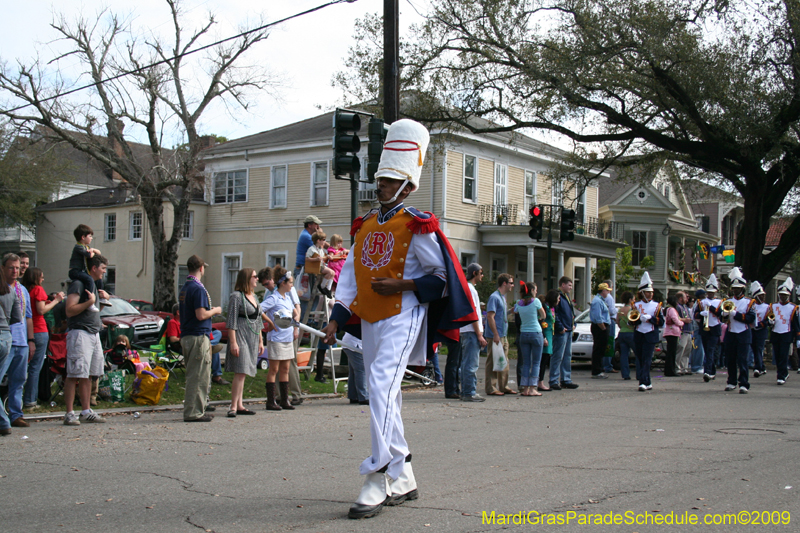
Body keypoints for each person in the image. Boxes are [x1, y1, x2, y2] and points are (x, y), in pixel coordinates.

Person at [320, 119, 476, 519]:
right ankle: (403, 472)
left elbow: (442, 277)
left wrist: (403, 285)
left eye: (391, 180)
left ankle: (377, 473)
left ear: (408, 186)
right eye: (381, 178)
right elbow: (352, 276)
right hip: (370, 318)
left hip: (403, 316)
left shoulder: (418, 224)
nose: (382, 185)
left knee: (380, 385)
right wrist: (337, 316)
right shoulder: (366, 223)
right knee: (386, 391)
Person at [62, 253, 110, 425]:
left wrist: (102, 300)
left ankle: (86, 410)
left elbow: (94, 309)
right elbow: (70, 310)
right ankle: (69, 413)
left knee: (89, 374)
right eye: (103, 269)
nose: (104, 273)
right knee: (74, 373)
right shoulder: (79, 284)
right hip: (80, 333)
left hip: (93, 332)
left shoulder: (94, 286)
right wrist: (89, 303)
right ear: (94, 268)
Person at [179, 255, 222, 423]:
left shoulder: (186, 287)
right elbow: (201, 314)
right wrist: (215, 310)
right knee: (198, 376)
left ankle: (197, 408)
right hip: (197, 336)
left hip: (188, 335)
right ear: (201, 268)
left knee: (195, 374)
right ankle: (194, 412)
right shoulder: (198, 289)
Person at [259, 267, 304, 406]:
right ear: (283, 283)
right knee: (274, 369)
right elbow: (258, 309)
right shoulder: (273, 298)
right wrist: (270, 322)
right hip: (277, 338)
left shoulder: (287, 298)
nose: (292, 285)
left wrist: (295, 317)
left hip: (287, 337)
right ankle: (271, 400)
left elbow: (295, 311)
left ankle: (285, 400)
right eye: (290, 282)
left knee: (285, 369)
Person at [21, 267, 64, 408]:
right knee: (35, 367)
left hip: (26, 330)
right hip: (39, 329)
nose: (43, 279)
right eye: (41, 277)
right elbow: (41, 310)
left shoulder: (25, 290)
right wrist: (56, 300)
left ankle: (22, 397)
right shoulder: (38, 290)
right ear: (36, 278)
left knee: (25, 366)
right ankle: (30, 400)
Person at [225, 268, 264, 417]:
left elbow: (258, 319)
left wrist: (261, 340)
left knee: (245, 371)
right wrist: (233, 342)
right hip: (240, 335)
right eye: (255, 276)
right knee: (240, 370)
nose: (257, 279)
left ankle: (240, 404)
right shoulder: (236, 297)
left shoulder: (254, 297)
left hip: (252, 337)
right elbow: (231, 321)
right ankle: (233, 406)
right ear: (247, 278)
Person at [2, 253, 35, 428]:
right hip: (6, 340)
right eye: (11, 267)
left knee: (19, 379)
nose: (15, 271)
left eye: (17, 267)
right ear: (3, 268)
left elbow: (28, 317)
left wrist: (31, 340)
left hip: (21, 341)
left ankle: (16, 414)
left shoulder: (22, 290)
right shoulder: (2, 288)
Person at [721, 268, 756, 393]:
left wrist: (735, 314)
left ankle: (744, 383)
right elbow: (722, 317)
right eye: (734, 288)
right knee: (730, 359)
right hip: (731, 332)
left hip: (743, 333)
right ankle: (731, 382)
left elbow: (751, 318)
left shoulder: (749, 302)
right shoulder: (727, 301)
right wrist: (723, 314)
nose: (735, 290)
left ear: (742, 288)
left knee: (743, 360)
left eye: (738, 288)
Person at [485, 273, 517, 396]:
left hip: (503, 334)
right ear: (504, 283)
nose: (512, 285)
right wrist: (495, 334)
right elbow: (490, 316)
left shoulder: (502, 298)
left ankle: (504, 385)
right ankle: (491, 387)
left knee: (504, 360)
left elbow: (499, 315)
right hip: (496, 335)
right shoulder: (494, 297)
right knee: (493, 360)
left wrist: (510, 311)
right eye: (511, 283)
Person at [631, 272, 664, 392]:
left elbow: (661, 322)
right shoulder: (635, 305)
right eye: (647, 292)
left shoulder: (657, 306)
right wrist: (638, 319)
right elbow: (631, 322)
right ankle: (648, 381)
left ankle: (643, 382)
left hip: (650, 334)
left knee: (647, 358)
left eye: (651, 292)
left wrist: (651, 318)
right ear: (642, 293)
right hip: (639, 334)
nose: (650, 294)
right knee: (640, 358)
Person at [0, 263, 23, 436]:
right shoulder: (11, 292)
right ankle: (4, 421)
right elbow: (17, 317)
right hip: (7, 336)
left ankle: (3, 421)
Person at [460, 263, 487, 402]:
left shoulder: (467, 288)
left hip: (466, 330)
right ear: (475, 273)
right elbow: (473, 313)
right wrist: (479, 334)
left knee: (466, 363)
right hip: (471, 330)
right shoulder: (471, 289)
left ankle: (465, 390)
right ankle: (469, 391)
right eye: (481, 273)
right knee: (471, 363)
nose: (482, 276)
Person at [515, 282, 545, 395]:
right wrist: (537, 318)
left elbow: (515, 312)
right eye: (535, 289)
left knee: (526, 362)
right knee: (536, 362)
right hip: (536, 332)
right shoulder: (536, 301)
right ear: (532, 290)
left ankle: (525, 388)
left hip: (524, 333)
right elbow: (543, 315)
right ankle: (533, 388)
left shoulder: (519, 303)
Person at [68, 224, 107, 309]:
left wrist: (92, 249)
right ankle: (88, 300)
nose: (92, 238)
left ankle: (100, 297)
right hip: (75, 271)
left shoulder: (86, 247)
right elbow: (89, 255)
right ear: (83, 237)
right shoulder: (78, 247)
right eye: (90, 236)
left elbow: (98, 252)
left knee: (99, 280)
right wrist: (91, 252)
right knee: (89, 279)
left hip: (81, 271)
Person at [550, 276, 579, 390]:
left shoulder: (566, 297)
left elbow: (571, 312)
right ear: (563, 285)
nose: (571, 288)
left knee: (567, 355)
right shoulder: (558, 297)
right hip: (562, 331)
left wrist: (574, 322)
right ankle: (553, 380)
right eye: (569, 285)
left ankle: (566, 379)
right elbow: (555, 313)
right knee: (558, 355)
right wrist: (560, 327)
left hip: (569, 329)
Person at [769, 278, 796, 386]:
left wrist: (797, 337)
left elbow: (795, 324)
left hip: (786, 333)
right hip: (776, 333)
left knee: (784, 355)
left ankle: (781, 375)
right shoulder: (773, 306)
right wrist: (770, 322)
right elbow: (769, 318)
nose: (783, 297)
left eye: (785, 295)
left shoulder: (793, 307)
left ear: (788, 296)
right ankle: (783, 372)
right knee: (777, 355)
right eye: (781, 295)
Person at [589, 282, 612, 379]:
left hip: (602, 326)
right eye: (607, 291)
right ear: (603, 291)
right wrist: (603, 328)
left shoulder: (601, 300)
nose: (608, 293)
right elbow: (598, 317)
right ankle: (596, 370)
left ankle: (599, 368)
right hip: (600, 327)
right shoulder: (597, 301)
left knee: (602, 348)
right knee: (598, 349)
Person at [306, 231, 336, 298]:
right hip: (317, 267)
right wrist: (315, 259)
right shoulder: (311, 249)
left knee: (333, 273)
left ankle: (328, 288)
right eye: (323, 240)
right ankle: (322, 286)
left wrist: (328, 257)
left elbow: (323, 257)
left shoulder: (321, 249)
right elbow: (307, 259)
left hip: (322, 266)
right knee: (330, 272)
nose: (325, 241)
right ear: (318, 240)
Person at [749, 282, 770, 378]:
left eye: (763, 296)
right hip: (752, 329)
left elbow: (771, 319)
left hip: (761, 330)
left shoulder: (767, 307)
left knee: (759, 348)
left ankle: (757, 367)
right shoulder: (751, 305)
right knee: (754, 348)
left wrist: (763, 323)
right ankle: (762, 367)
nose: (763, 298)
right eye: (760, 296)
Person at [538, 290, 557, 390]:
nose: (558, 300)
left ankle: (540, 381)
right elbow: (542, 321)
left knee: (545, 360)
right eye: (557, 298)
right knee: (543, 360)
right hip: (546, 334)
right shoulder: (545, 307)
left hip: (550, 334)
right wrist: (544, 336)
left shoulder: (551, 308)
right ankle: (539, 382)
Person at [344, 331, 369, 405]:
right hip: (355, 345)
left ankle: (353, 396)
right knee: (361, 370)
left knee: (354, 371)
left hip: (350, 344)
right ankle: (363, 396)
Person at [662, 294, 683, 377]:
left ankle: (669, 370)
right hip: (672, 332)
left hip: (670, 332)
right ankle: (671, 370)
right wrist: (682, 323)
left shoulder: (667, 309)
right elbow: (675, 320)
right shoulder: (672, 310)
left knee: (670, 352)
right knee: (672, 352)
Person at [616, 291, 635, 381]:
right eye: (634, 299)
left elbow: (618, 322)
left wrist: (623, 327)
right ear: (630, 300)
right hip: (631, 332)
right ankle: (639, 374)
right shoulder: (632, 310)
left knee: (624, 354)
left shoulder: (620, 310)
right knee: (638, 353)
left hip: (622, 333)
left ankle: (625, 374)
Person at [602, 280, 618, 374]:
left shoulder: (601, 298)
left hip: (605, 321)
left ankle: (604, 364)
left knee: (605, 343)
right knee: (610, 343)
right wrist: (617, 310)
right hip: (610, 320)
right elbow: (612, 311)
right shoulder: (609, 298)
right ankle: (608, 365)